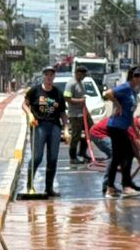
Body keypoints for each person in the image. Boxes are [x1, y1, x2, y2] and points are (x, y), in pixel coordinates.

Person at [100, 65, 140, 198]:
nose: (138, 78)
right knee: (121, 156)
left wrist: (135, 130)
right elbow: (107, 93)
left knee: (124, 155)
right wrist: (117, 105)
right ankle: (119, 186)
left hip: (123, 127)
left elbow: (130, 114)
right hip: (115, 127)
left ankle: (118, 186)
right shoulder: (125, 87)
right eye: (136, 76)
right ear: (131, 76)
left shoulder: (133, 92)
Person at [24, 64, 65, 197]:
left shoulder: (58, 93)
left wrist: (67, 129)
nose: (49, 77)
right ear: (43, 76)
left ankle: (49, 188)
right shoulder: (35, 91)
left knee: (52, 159)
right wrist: (30, 115)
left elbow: (63, 113)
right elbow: (25, 104)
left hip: (54, 127)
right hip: (39, 126)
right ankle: (30, 186)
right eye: (46, 74)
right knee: (37, 156)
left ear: (54, 76)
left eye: (51, 75)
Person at [67, 64, 92, 165]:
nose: (84, 77)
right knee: (76, 135)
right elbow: (67, 98)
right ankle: (73, 157)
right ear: (78, 73)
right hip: (75, 114)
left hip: (84, 112)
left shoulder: (81, 83)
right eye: (83, 75)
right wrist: (79, 101)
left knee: (91, 130)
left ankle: (82, 152)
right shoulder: (71, 84)